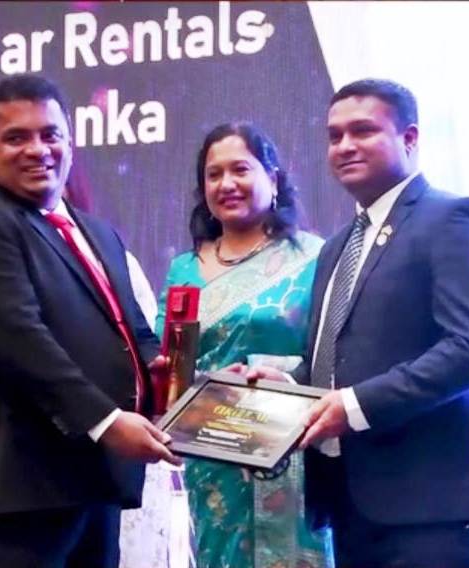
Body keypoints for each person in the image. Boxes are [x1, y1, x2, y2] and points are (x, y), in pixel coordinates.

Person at [249, 79, 469, 567]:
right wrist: (292, 387)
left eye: (363, 131)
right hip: (350, 507)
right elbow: (342, 359)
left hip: (434, 509)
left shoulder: (453, 218)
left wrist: (355, 406)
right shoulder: (336, 246)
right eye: (334, 136)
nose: (344, 146)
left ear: (409, 138)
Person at [0, 74, 180, 568]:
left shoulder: (98, 234)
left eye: (50, 134)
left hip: (96, 485)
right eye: (16, 137)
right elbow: (17, 343)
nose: (37, 149)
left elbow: (135, 334)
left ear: (70, 142)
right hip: (23, 494)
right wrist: (106, 421)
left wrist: (185, 388)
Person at [157, 122, 331, 568]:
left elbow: (334, 354)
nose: (226, 184)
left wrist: (271, 377)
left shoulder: (314, 258)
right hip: (213, 457)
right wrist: (195, 388)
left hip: (292, 450)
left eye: (240, 169)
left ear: (272, 178)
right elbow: (170, 362)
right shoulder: (184, 269)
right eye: (213, 174)